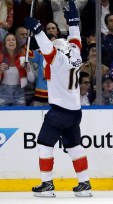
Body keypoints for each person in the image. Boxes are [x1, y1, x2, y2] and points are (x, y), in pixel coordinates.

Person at [24, 0, 92, 197]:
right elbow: (75, 39)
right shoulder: (75, 54)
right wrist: (73, 22)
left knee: (44, 145)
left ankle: (47, 184)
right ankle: (84, 183)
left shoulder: (59, 61)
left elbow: (47, 49)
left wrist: (37, 30)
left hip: (59, 113)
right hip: (75, 112)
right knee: (75, 147)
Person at [0, 33, 35, 106]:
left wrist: (28, 69)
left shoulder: (23, 58)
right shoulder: (0, 58)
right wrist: (0, 71)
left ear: (16, 43)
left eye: (13, 40)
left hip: (18, 93)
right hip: (3, 93)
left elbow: (32, 80)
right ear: (5, 44)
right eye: (8, 40)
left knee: (21, 116)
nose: (11, 41)